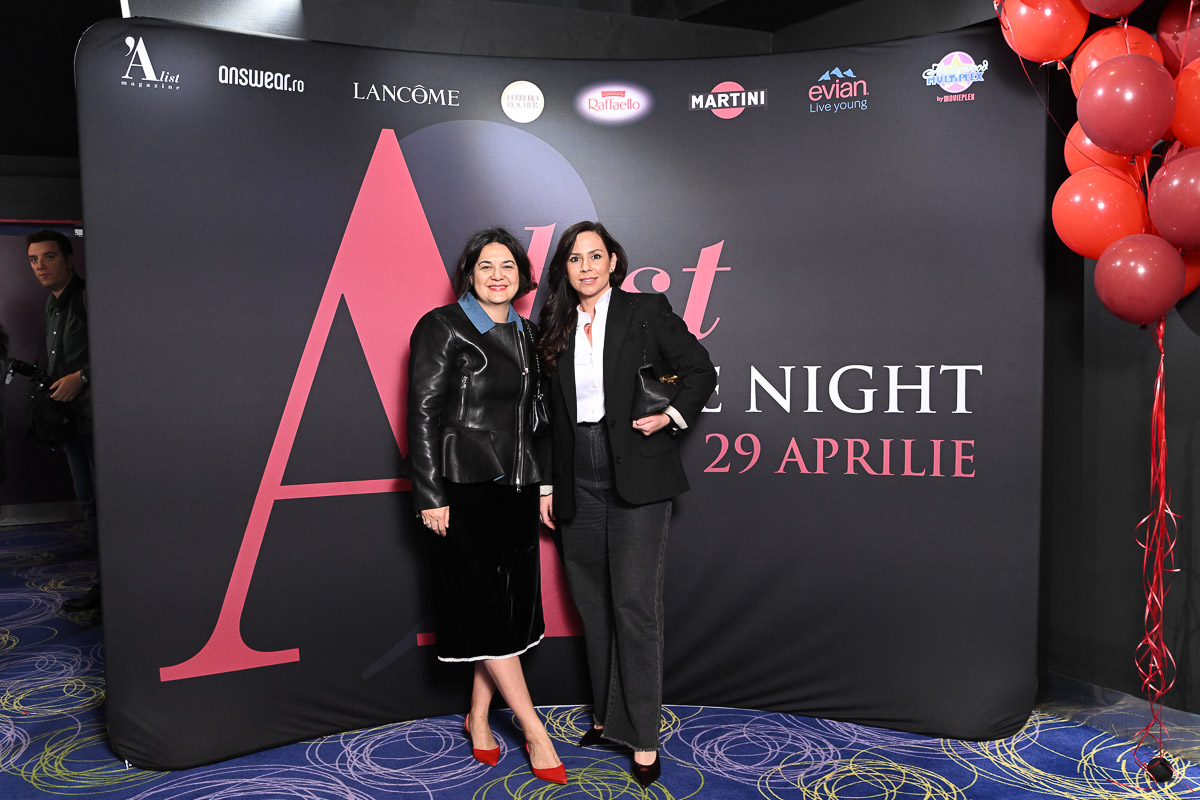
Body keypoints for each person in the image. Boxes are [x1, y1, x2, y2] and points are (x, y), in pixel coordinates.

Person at [537, 221, 717, 788]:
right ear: (565, 270)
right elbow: (548, 415)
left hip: (636, 469)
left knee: (634, 605)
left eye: (595, 256)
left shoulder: (645, 310)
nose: (586, 267)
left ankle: (642, 736)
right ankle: (607, 719)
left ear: (613, 261)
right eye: (575, 259)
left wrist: (670, 416)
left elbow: (700, 371)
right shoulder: (556, 325)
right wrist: (547, 485)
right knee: (593, 604)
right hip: (576, 474)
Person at [406, 227, 566, 785]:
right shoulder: (443, 326)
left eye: (508, 266)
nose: (498, 276)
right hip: (463, 488)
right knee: (484, 608)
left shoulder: (528, 332)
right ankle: (534, 730)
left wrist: (544, 485)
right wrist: (431, 494)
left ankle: (478, 715)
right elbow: (422, 414)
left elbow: (537, 419)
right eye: (486, 266)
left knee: (502, 611)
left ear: (522, 276)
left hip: (517, 488)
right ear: (469, 275)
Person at [28, 230, 100, 617]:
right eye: (34, 260)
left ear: (70, 259)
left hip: (98, 422)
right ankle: (105, 583)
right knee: (88, 504)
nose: (40, 266)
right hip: (69, 423)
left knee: (106, 506)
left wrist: (82, 377)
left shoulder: (90, 297)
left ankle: (116, 586)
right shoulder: (51, 304)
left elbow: (119, 347)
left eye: (49, 257)